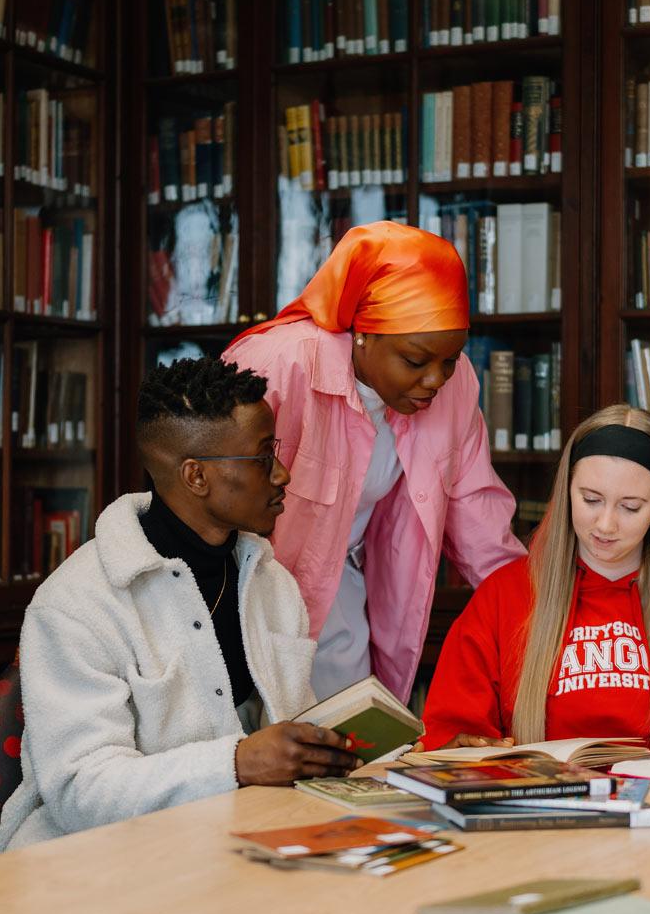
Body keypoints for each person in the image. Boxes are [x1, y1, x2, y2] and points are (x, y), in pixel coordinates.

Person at [0, 358, 356, 848]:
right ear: (196, 476)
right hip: (97, 870)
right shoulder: (75, 604)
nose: (283, 473)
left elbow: (281, 733)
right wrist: (237, 763)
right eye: (263, 456)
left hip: (239, 842)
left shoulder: (271, 582)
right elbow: (80, 791)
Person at [224, 221, 524, 701]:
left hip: (339, 584)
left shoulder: (456, 382)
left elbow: (477, 515)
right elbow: (207, 493)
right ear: (363, 333)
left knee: (345, 745)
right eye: (415, 360)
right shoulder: (278, 364)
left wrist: (534, 612)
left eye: (450, 359)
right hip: (238, 587)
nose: (435, 380)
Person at [419, 405, 650, 750]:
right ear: (567, 489)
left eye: (630, 507)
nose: (606, 525)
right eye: (590, 500)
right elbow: (454, 736)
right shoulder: (504, 597)